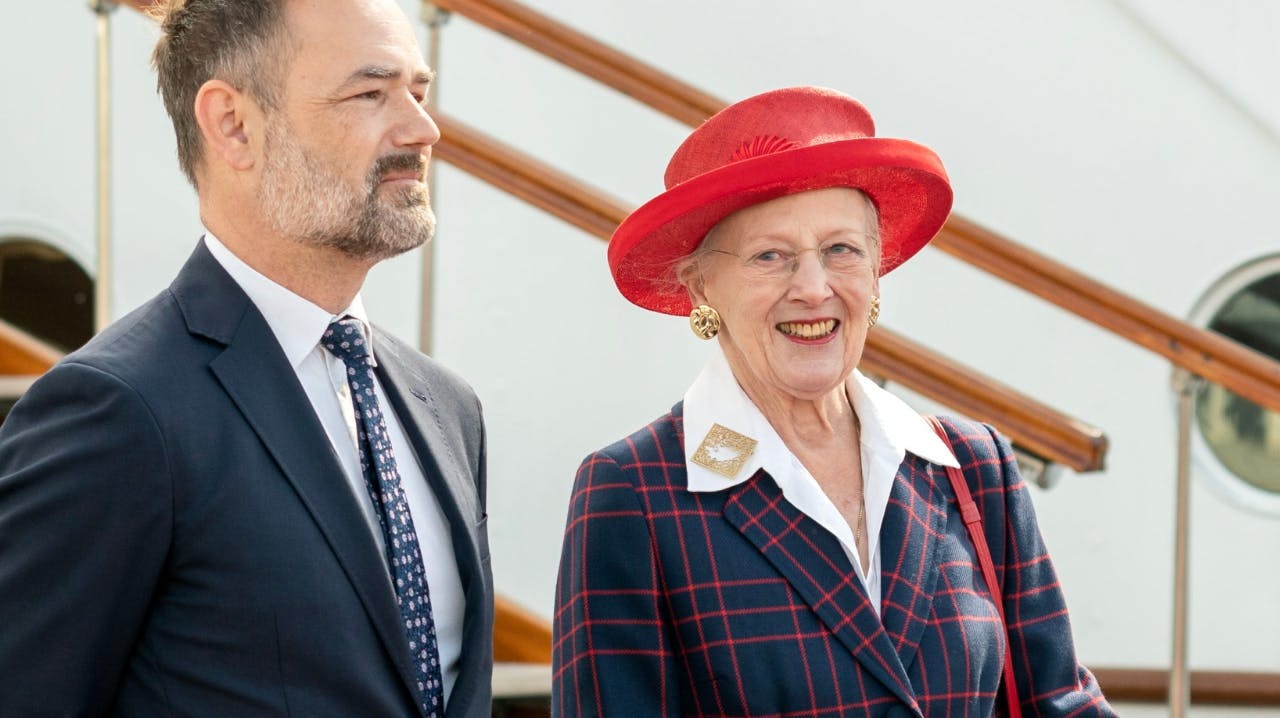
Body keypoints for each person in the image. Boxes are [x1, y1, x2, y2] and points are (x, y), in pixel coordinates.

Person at [552, 86, 1113, 717]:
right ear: (702, 283)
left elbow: (1060, 703)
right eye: (771, 257)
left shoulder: (972, 466)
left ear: (877, 267)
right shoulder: (635, 490)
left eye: (841, 250)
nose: (814, 289)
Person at [0, 1, 491, 716]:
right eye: (370, 92)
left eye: (418, 90)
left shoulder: (447, 408)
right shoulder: (119, 411)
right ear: (233, 124)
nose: (423, 128)